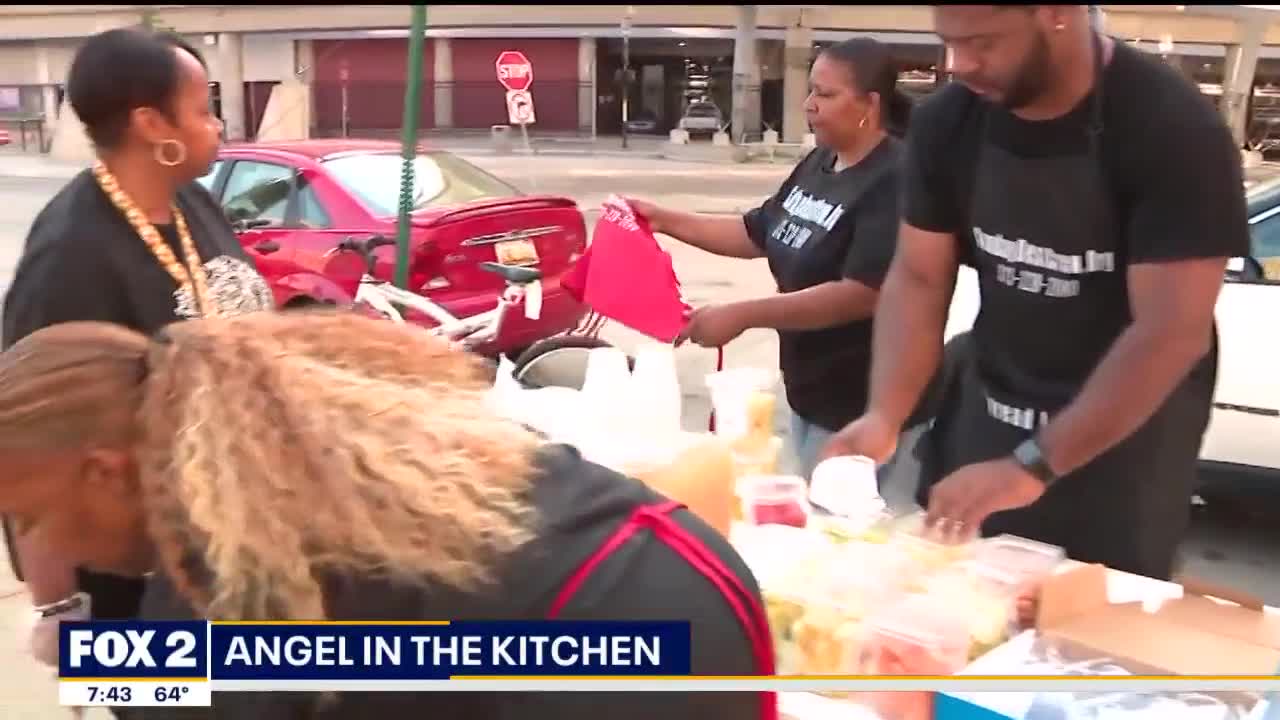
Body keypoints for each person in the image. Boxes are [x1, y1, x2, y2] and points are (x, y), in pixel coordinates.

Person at [0, 311, 773, 719]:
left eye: (27, 517)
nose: (36, 544)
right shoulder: (252, 473)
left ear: (105, 474)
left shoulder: (243, 568)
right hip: (662, 585)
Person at [822, 6, 1249, 580]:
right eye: (948, 42)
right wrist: (884, 414)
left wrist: (1033, 465)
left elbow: (1170, 331)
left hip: (1122, 440)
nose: (960, 64)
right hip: (992, 402)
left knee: (1087, 637)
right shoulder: (948, 122)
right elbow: (920, 277)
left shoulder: (1172, 129)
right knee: (951, 600)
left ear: (1055, 13)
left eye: (983, 42)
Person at [2, 28, 275, 637]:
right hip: (140, 584)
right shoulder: (69, 258)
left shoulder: (190, 203)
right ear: (152, 124)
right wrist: (57, 609)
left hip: (241, 539)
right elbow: (36, 446)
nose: (219, 125)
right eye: (204, 110)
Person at [630, 38, 912, 480]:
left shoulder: (896, 178)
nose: (809, 104)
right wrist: (663, 219)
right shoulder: (820, 161)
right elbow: (759, 231)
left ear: (870, 103)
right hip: (805, 393)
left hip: (862, 412)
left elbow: (860, 294)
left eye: (825, 93)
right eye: (811, 91)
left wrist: (743, 314)